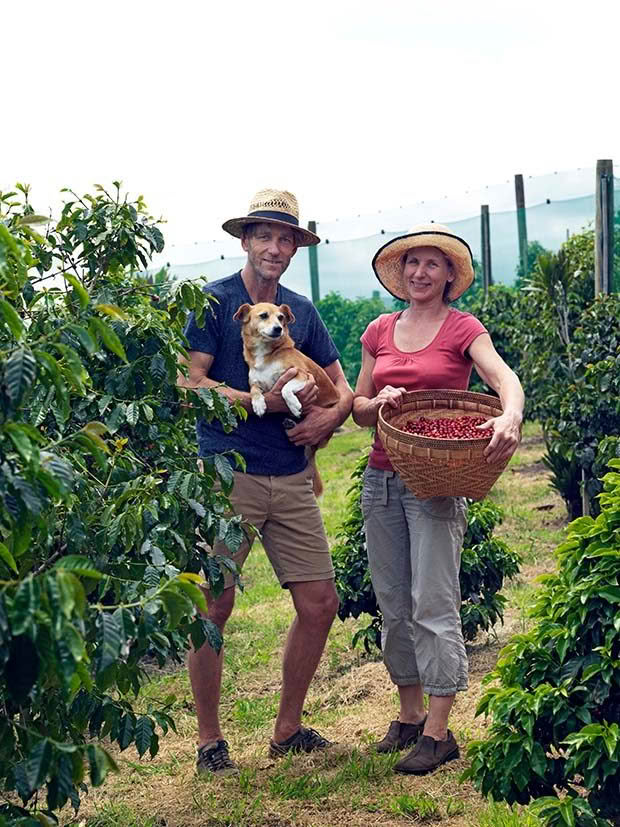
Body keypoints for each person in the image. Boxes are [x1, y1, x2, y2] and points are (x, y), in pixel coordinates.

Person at [179, 189, 353, 775]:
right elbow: (189, 384)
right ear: (246, 241)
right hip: (230, 475)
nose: (275, 248)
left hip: (292, 476)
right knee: (215, 602)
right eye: (265, 237)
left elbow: (340, 384)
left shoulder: (301, 309)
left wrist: (329, 417)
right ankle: (209, 741)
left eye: (285, 239)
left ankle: (287, 729)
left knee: (320, 601)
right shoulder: (216, 302)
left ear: (294, 248)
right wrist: (260, 403)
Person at [352, 223, 523, 775]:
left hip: (437, 484)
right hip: (381, 478)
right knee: (393, 603)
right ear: (399, 275)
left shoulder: (462, 327)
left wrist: (512, 415)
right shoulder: (379, 329)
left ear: (450, 274)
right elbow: (357, 406)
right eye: (411, 264)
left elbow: (503, 378)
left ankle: (439, 730)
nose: (420, 273)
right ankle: (407, 714)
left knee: (433, 602)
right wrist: (379, 399)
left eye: (431, 264)